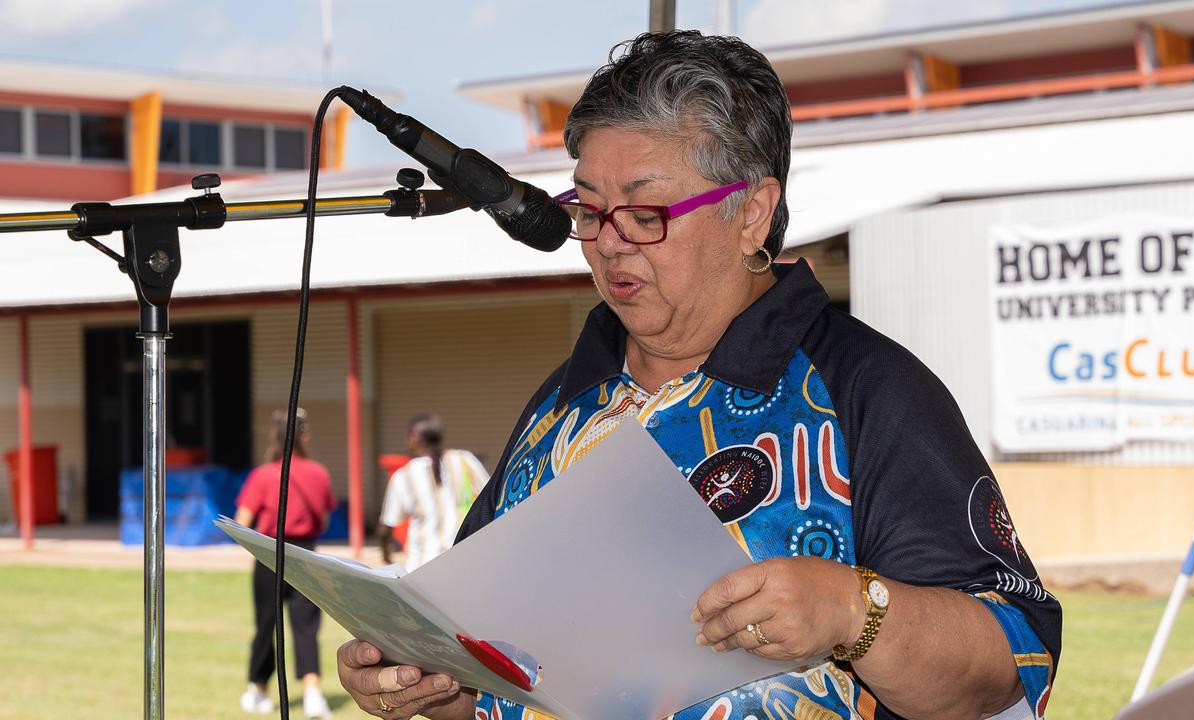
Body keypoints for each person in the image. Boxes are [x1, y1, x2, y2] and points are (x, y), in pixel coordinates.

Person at [336, 30, 1061, 720]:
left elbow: (1012, 664)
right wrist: (430, 683)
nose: (609, 245)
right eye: (589, 208)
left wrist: (852, 611)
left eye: (647, 213)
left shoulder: (866, 388)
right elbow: (492, 669)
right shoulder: (560, 405)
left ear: (752, 212)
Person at [235, 408, 337, 719]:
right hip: (306, 554)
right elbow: (324, 518)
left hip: (269, 553)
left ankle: (259, 690)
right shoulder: (319, 473)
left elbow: (243, 520)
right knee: (306, 626)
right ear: (303, 435)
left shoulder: (264, 474)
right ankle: (312, 693)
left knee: (267, 624)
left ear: (273, 437)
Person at [378, 413, 488, 570]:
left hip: (421, 566)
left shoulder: (404, 475)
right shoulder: (464, 459)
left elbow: (386, 526)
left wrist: (385, 553)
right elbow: (492, 497)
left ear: (414, 438)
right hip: (464, 561)